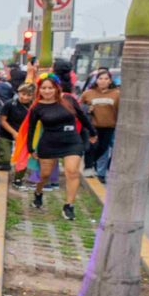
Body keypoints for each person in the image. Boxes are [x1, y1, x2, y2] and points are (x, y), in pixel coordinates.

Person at [13, 74, 96, 221]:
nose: (47, 91)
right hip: (49, 143)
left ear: (56, 88)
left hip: (71, 140)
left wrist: (92, 132)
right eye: (44, 88)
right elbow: (31, 129)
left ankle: (69, 206)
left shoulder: (69, 100)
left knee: (72, 172)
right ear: (39, 90)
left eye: (50, 88)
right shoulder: (37, 107)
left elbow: (82, 116)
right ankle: (38, 192)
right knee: (45, 175)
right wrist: (31, 149)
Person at [81, 69, 120, 182]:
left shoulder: (117, 94)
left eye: (106, 79)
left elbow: (120, 110)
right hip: (92, 126)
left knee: (103, 148)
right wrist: (87, 109)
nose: (103, 81)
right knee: (92, 146)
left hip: (109, 126)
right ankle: (88, 167)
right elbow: (80, 107)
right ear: (96, 80)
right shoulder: (88, 93)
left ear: (110, 81)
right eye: (100, 79)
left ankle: (92, 163)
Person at [0, 82, 35, 188]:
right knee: (5, 159)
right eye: (23, 94)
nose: (25, 97)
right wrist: (14, 133)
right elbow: (3, 121)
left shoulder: (33, 107)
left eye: (28, 95)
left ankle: (18, 179)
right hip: (6, 134)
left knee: (22, 159)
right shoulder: (10, 104)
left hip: (24, 137)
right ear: (19, 93)